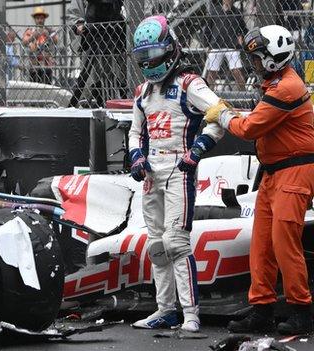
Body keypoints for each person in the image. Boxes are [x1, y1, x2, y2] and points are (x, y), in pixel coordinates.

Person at [205, 25, 314, 335]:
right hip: (274, 172)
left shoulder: (286, 88)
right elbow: (257, 119)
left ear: (272, 60)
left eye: (256, 58)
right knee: (262, 245)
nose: (252, 63)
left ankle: (302, 311)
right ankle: (262, 310)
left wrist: (224, 114)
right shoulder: (277, 84)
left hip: (295, 170)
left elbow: (250, 128)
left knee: (283, 243)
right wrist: (228, 112)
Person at [128, 16, 225, 332]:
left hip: (179, 172)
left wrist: (196, 151)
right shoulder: (143, 91)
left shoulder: (189, 83)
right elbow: (134, 132)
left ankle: (191, 314)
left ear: (169, 50)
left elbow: (220, 114)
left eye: (153, 55)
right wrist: (136, 157)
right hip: (152, 174)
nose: (148, 62)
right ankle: (165, 310)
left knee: (176, 243)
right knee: (156, 244)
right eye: (142, 57)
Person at [67, 0, 126, 107]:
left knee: (120, 76)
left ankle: (122, 96)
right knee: (91, 79)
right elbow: (73, 14)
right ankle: (93, 100)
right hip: (91, 38)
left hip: (115, 39)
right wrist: (78, 24)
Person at [203, 0, 248, 90]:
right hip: (216, 45)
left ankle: (244, 94)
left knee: (236, 71)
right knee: (212, 73)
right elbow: (208, 29)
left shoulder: (237, 12)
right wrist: (207, 45)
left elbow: (244, 29)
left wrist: (241, 39)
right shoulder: (215, 11)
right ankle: (208, 94)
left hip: (232, 46)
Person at [22, 7, 58, 84]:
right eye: (38, 18)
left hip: (47, 64)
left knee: (47, 86)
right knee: (34, 87)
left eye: (41, 18)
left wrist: (48, 35)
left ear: (44, 19)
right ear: (35, 19)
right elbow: (24, 42)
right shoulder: (30, 30)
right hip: (34, 65)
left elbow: (56, 40)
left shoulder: (49, 30)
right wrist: (33, 37)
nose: (40, 20)